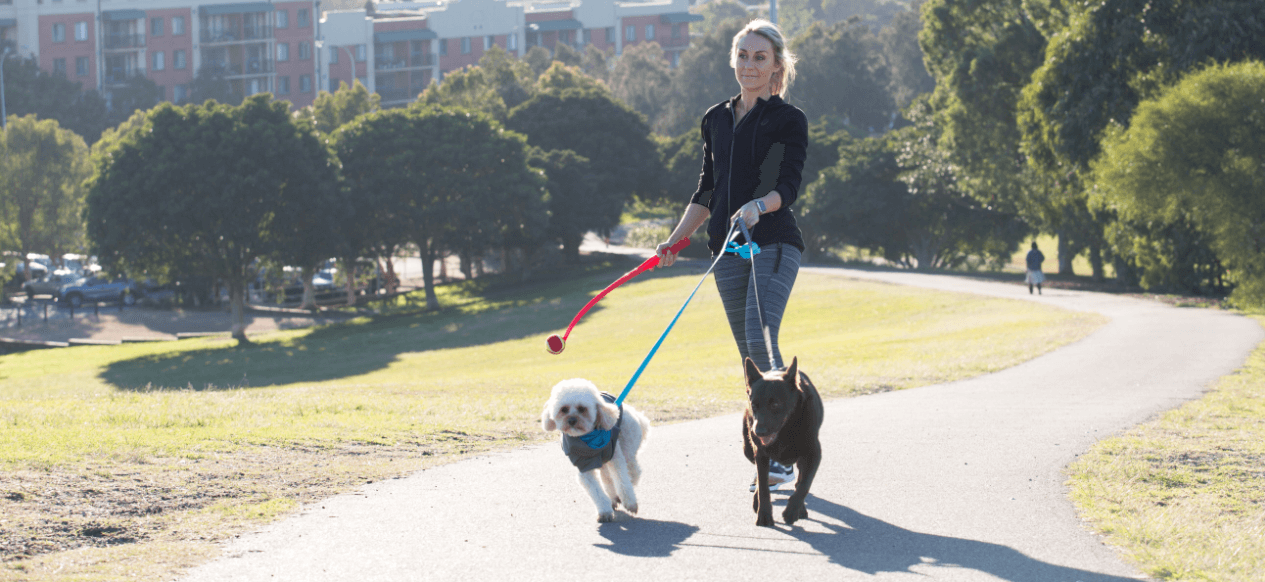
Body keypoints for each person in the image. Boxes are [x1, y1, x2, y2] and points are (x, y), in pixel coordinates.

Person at [654, 19, 807, 491]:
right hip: (727, 249)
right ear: (733, 59)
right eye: (743, 55)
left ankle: (783, 454)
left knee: (760, 339)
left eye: (760, 57)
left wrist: (758, 207)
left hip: (774, 242)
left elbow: (788, 186)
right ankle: (774, 449)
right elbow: (706, 191)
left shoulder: (788, 119)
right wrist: (676, 240)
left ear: (777, 65)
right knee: (750, 357)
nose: (750, 65)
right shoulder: (715, 118)